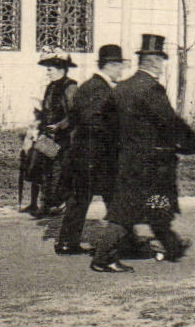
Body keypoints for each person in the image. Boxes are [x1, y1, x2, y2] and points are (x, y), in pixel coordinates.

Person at [92, 34, 195, 273]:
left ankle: (172, 246)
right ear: (153, 61)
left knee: (155, 206)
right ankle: (103, 259)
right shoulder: (151, 89)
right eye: (161, 60)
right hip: (151, 163)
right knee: (128, 211)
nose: (163, 65)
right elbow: (170, 123)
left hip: (127, 159)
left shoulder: (122, 88)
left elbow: (106, 123)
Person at [54, 43, 125, 256]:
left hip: (81, 154)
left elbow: (74, 118)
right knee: (116, 199)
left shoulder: (86, 86)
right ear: (111, 65)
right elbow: (96, 123)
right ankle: (122, 244)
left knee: (79, 200)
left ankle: (67, 243)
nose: (121, 71)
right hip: (98, 157)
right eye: (119, 66)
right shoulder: (102, 90)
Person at [23, 52, 77, 216]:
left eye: (50, 69)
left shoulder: (70, 87)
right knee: (43, 169)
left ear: (61, 70)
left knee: (59, 172)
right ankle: (45, 204)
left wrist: (60, 125)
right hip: (48, 135)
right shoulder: (51, 86)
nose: (47, 72)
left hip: (64, 137)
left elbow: (74, 114)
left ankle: (59, 205)